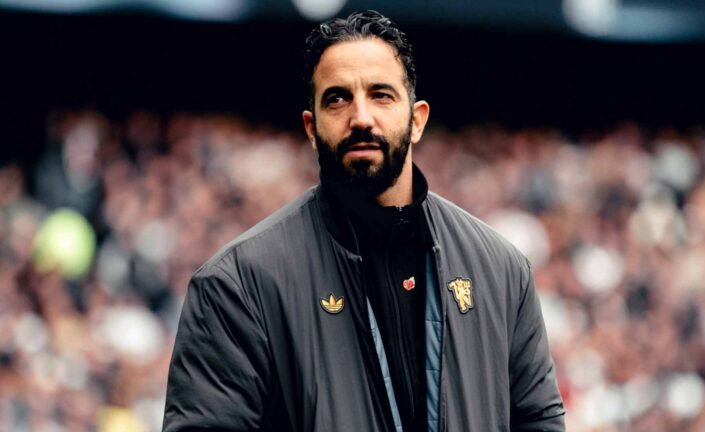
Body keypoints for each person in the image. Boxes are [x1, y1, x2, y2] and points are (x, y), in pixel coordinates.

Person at [163, 10, 565, 432]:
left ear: (417, 120)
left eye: (381, 94)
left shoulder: (501, 272)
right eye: (337, 98)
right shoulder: (237, 286)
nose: (360, 118)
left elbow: (539, 421)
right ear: (311, 127)